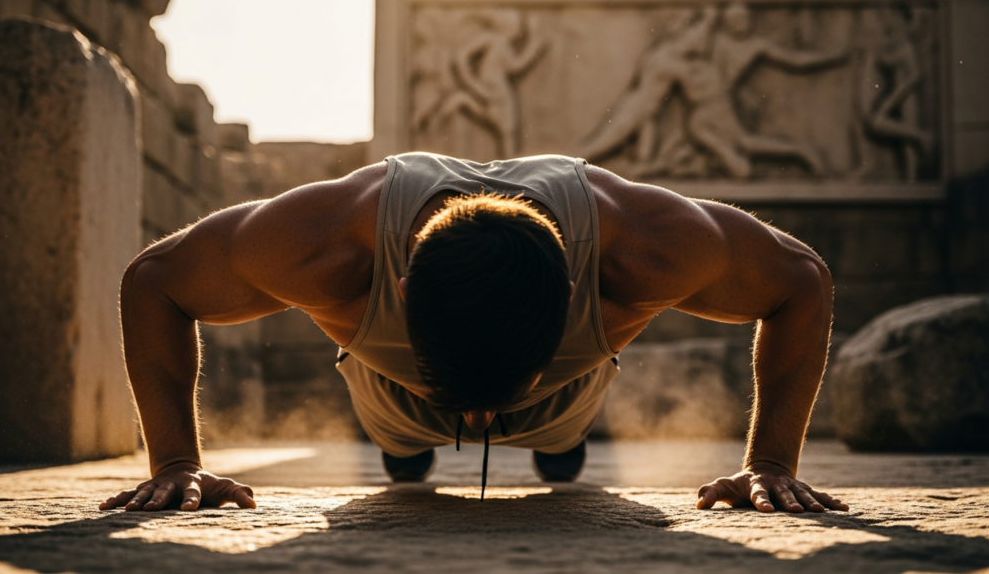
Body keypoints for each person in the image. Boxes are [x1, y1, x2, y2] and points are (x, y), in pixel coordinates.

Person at [99, 152, 848, 514]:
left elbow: (801, 282)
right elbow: (155, 282)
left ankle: (558, 443)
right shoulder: (323, 247)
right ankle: (408, 443)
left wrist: (771, 463)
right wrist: (174, 461)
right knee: (405, 443)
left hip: (563, 393)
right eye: (467, 404)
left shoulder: (648, 247)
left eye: (489, 405)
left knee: (557, 440)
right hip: (394, 395)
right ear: (398, 290)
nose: (482, 425)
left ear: (568, 294)